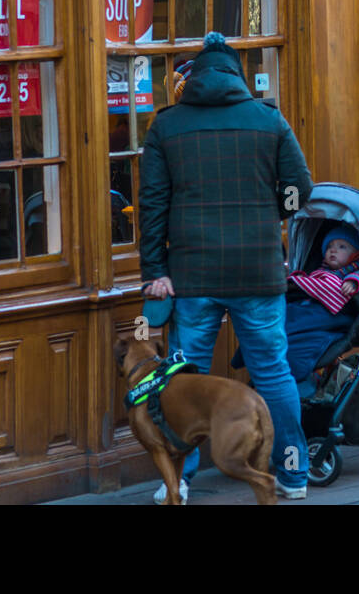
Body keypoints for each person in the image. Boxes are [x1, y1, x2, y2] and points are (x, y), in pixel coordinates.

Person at [139, 30, 314, 501]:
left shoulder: (166, 126)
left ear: (192, 77)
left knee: (182, 379)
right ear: (237, 75)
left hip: (192, 272)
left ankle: (180, 479)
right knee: (273, 371)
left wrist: (154, 268)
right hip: (257, 268)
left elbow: (152, 203)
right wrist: (266, 216)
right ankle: (294, 474)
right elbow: (300, 189)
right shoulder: (268, 120)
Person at [282, 225, 359, 394]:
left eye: (342, 247)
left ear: (356, 253)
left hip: (333, 317)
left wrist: (353, 283)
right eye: (329, 247)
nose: (333, 251)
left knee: (294, 352)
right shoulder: (319, 272)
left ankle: (299, 385)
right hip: (308, 309)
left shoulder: (354, 272)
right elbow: (308, 286)